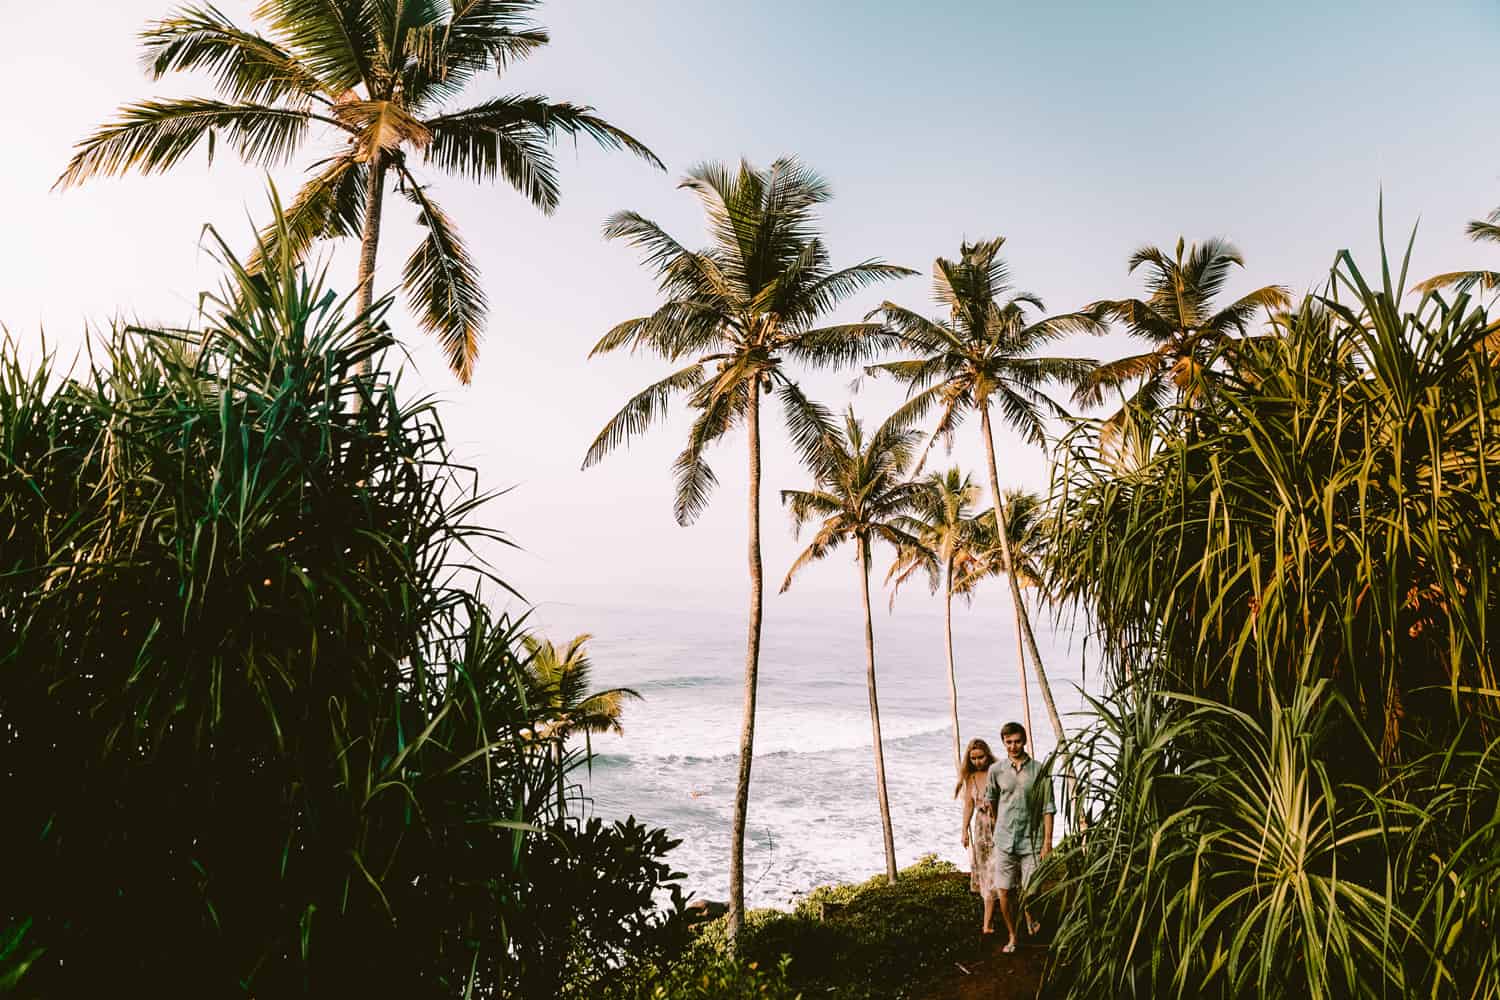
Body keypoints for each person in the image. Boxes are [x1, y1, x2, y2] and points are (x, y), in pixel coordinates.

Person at [985, 721, 1054, 953]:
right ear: (1003, 743)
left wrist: (1047, 842)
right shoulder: (996, 771)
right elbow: (992, 800)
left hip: (1031, 841)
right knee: (1004, 891)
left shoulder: (1039, 770)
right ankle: (1013, 936)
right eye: (1008, 742)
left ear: (1024, 741)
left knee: (1031, 890)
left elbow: (1048, 807)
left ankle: (1030, 915)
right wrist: (998, 828)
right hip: (1004, 841)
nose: (1013, 746)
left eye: (1017, 741)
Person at [956, 738, 1001, 934]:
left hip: (1000, 826)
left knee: (1004, 869)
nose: (977, 761)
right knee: (985, 873)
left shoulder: (998, 772)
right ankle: (987, 923)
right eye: (973, 758)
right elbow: (968, 805)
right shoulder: (971, 778)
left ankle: (1024, 917)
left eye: (980, 757)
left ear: (987, 755)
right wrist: (964, 830)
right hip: (981, 830)